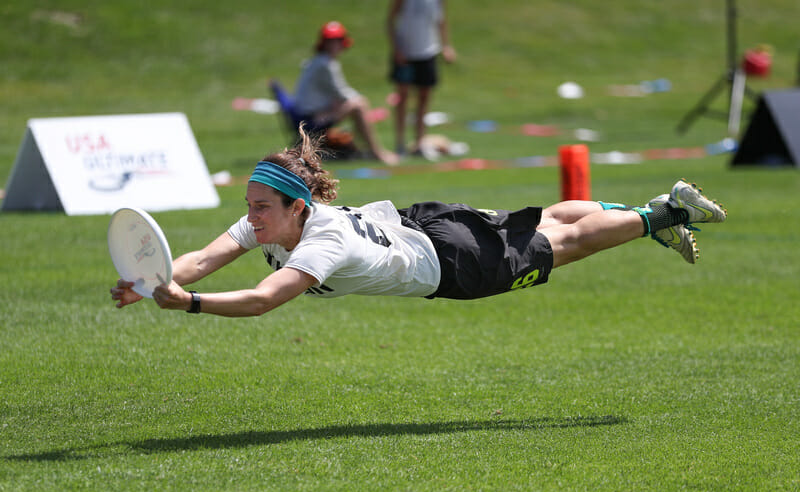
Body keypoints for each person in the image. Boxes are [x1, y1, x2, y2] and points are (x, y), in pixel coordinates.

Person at [110, 126, 726, 316]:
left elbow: (261, 299)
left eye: (260, 207)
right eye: (249, 206)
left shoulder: (317, 243)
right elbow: (201, 259)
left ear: (298, 205)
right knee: (541, 220)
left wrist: (188, 303)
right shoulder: (274, 221)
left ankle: (661, 213)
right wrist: (150, 279)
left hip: (450, 262)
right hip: (425, 222)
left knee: (562, 247)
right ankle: (640, 214)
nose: (249, 218)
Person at [293, 21, 398, 166]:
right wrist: (360, 99)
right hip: (312, 119)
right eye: (331, 41)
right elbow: (341, 92)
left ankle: (366, 148)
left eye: (337, 41)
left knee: (356, 103)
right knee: (359, 105)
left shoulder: (319, 61)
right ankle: (376, 152)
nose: (334, 45)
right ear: (324, 43)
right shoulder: (325, 64)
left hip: (314, 114)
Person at [387, 0, 456, 156]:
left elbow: (441, 20)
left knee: (424, 98)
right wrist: (397, 49)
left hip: (428, 52)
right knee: (403, 97)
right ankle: (400, 143)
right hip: (406, 52)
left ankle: (419, 143)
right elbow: (390, 20)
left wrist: (446, 45)